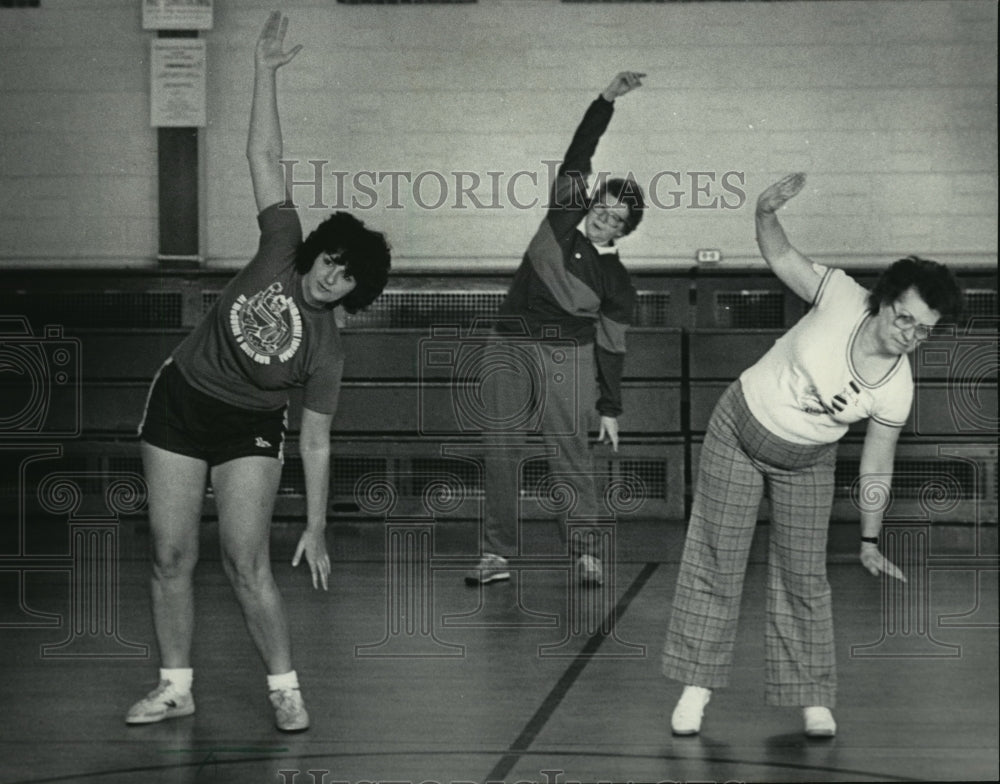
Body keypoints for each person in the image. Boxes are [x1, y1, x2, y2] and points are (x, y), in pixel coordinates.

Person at [126, 11, 390, 732]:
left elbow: (315, 442)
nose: (333, 278)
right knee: (171, 552)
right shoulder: (282, 242)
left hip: (249, 427)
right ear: (320, 252)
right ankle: (174, 684)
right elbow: (263, 156)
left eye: (349, 280)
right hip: (180, 402)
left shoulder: (328, 350)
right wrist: (263, 74)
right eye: (334, 260)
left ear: (355, 295)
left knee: (246, 563)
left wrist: (319, 525)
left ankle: (284, 688)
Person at [661, 172, 963, 738]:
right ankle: (695, 689)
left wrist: (870, 538)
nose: (909, 335)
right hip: (739, 430)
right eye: (904, 318)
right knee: (717, 561)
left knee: (804, 576)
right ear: (883, 301)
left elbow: (877, 464)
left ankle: (812, 698)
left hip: (807, 460)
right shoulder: (839, 295)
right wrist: (764, 211)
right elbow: (779, 254)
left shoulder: (897, 386)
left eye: (924, 331)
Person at [464, 72, 646, 588]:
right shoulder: (564, 214)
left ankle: (586, 552)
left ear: (625, 232)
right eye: (604, 210)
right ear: (591, 204)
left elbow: (612, 347)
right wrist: (605, 100)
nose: (605, 222)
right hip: (508, 346)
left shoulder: (617, 282)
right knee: (501, 448)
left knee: (569, 452)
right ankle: (496, 555)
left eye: (617, 221)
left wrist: (610, 408)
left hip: (568, 357)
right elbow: (579, 153)